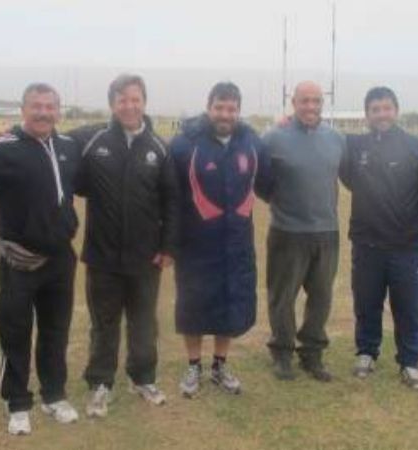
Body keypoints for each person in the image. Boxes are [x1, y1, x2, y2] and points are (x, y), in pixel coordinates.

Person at [72, 74, 179, 418]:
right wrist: (10, 133)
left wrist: (168, 247)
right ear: (112, 104)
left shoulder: (159, 148)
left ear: (144, 102)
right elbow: (49, 142)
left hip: (145, 258)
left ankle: (142, 377)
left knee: (144, 322)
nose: (129, 106)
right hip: (102, 257)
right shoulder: (92, 140)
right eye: (122, 100)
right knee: (104, 324)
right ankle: (100, 384)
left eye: (135, 99)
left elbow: (172, 202)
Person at [0, 83, 81, 435]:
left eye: (50, 106)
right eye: (36, 106)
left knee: (56, 331)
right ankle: (17, 402)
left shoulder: (69, 146)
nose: (43, 112)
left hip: (60, 260)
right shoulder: (1, 149)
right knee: (15, 332)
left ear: (59, 110)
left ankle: (53, 395)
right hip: (19, 261)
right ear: (22, 109)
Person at [339, 86, 418, 390]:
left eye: (386, 108)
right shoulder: (353, 145)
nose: (381, 114)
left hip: (406, 246)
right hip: (366, 244)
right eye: (375, 110)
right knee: (367, 303)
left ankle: (410, 362)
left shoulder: (417, 148)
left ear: (396, 111)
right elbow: (328, 151)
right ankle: (366, 352)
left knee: (408, 308)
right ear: (367, 115)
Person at [169, 82, 263, 397]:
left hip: (237, 243)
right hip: (196, 245)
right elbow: (169, 197)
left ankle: (220, 366)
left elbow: (270, 182)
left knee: (230, 304)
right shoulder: (184, 144)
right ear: (209, 107)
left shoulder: (251, 142)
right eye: (219, 107)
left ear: (238, 110)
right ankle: (193, 366)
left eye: (232, 108)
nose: (225, 114)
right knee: (193, 306)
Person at [256, 81, 345, 382]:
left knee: (321, 298)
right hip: (287, 232)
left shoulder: (336, 139)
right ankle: (282, 353)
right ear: (293, 102)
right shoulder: (273, 138)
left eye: (316, 101)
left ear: (323, 103)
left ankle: (312, 354)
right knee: (282, 298)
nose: (311, 106)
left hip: (327, 232)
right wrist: (279, 201)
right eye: (304, 100)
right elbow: (259, 179)